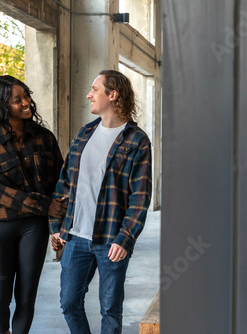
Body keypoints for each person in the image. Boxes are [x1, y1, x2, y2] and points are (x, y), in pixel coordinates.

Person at [49, 70, 152, 334]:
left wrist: (125, 237)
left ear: (113, 94)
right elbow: (65, 183)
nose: (89, 95)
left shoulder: (137, 141)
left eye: (95, 89)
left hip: (111, 239)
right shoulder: (85, 133)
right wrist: (56, 224)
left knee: (110, 310)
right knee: (69, 303)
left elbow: (140, 198)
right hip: (75, 236)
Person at [0, 75, 67, 334]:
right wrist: (44, 206)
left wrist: (57, 227)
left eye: (26, 95)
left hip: (33, 228)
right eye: (18, 100)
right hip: (0, 226)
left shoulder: (44, 137)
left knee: (26, 298)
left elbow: (60, 184)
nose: (26, 102)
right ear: (2, 106)